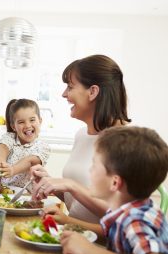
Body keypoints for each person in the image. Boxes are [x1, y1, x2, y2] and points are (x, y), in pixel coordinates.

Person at [31, 54, 131, 224]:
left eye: (70, 87)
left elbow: (121, 217)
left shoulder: (126, 143)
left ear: (93, 92)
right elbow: (77, 203)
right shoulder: (81, 135)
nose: (64, 94)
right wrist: (52, 184)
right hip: (73, 237)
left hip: (98, 246)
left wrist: (70, 185)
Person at [60, 126, 168, 254]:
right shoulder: (124, 210)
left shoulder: (135, 219)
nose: (90, 170)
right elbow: (108, 233)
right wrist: (72, 230)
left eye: (94, 165)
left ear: (115, 183)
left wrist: (89, 251)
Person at [0, 98, 50, 190]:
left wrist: (12, 170)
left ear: (40, 121)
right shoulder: (10, 137)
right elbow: (2, 147)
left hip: (26, 195)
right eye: (21, 122)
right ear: (13, 126)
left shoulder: (43, 146)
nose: (27, 125)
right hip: (2, 192)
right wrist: (1, 163)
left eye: (32, 120)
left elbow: (30, 161)